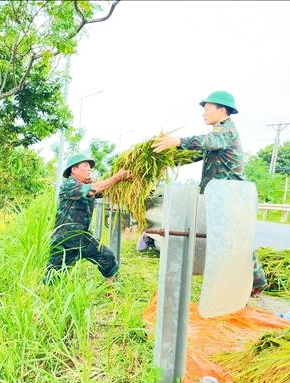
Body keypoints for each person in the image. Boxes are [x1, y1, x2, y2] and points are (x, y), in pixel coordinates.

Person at [151, 90, 267, 296]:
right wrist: (162, 158)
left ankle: (251, 283)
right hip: (218, 197)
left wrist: (177, 140)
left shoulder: (226, 131)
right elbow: (195, 153)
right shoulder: (217, 134)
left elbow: (207, 142)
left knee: (232, 241)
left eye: (207, 109)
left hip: (229, 196)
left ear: (222, 110)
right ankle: (250, 282)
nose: (204, 113)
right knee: (227, 240)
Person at [45, 154, 131, 282]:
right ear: (74, 170)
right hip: (67, 236)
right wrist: (118, 176)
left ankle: (111, 291)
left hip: (76, 237)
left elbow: (103, 188)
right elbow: (94, 189)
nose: (89, 169)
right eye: (85, 166)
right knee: (54, 274)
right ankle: (47, 296)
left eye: (90, 167)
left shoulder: (83, 186)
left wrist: (123, 180)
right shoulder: (70, 184)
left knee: (106, 258)